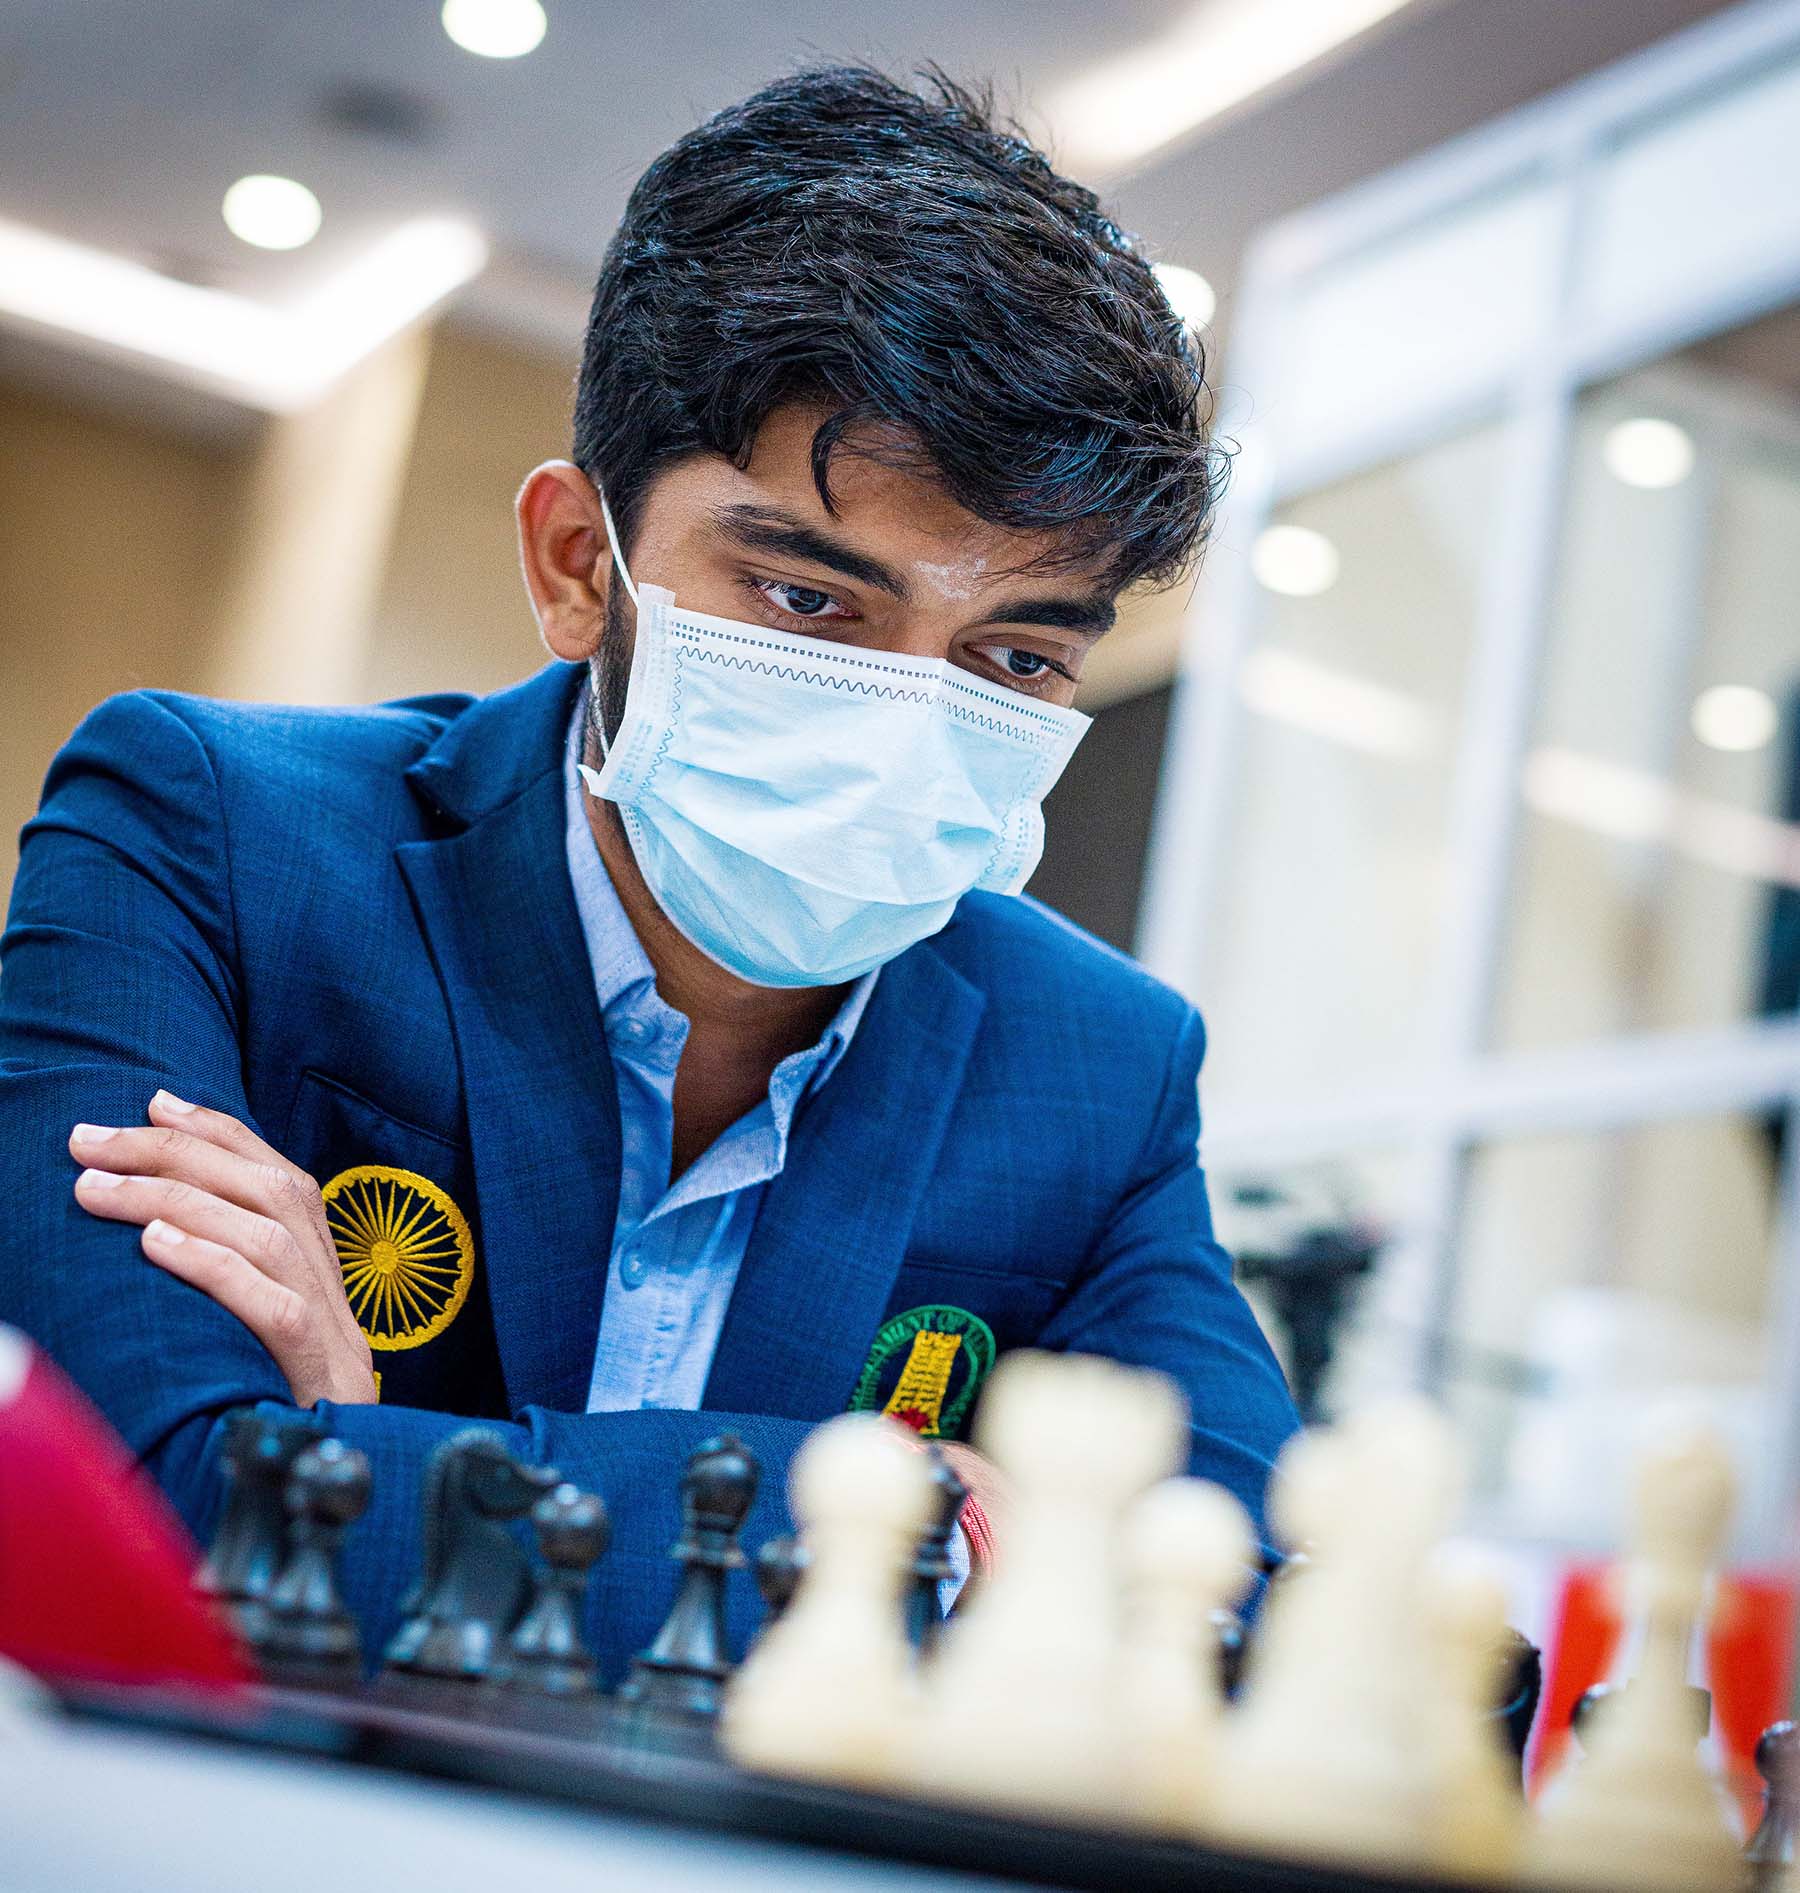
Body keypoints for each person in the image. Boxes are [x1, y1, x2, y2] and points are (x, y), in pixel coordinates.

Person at [0, 67, 1297, 1668]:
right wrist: (916, 1526)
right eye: (813, 603)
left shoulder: (1098, 1066)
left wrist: (345, 1454)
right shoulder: (207, 836)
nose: (915, 717)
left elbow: (1248, 1598)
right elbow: (125, 1506)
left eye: (1017, 655)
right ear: (574, 565)